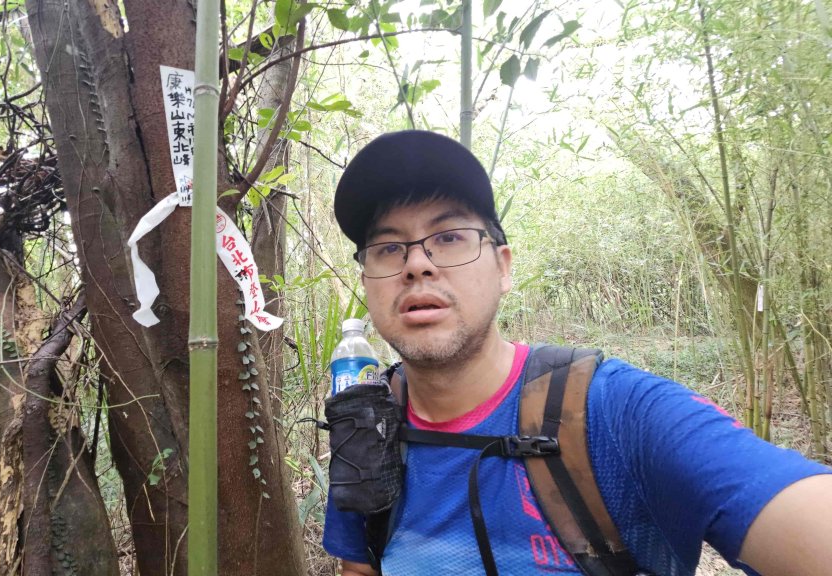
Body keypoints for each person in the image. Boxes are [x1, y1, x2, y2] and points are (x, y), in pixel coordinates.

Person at [323, 130, 832, 576]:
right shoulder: (367, 417)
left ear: (503, 267)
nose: (416, 264)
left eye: (450, 237)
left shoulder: (612, 412)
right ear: (367, 278)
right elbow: (360, 565)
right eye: (388, 248)